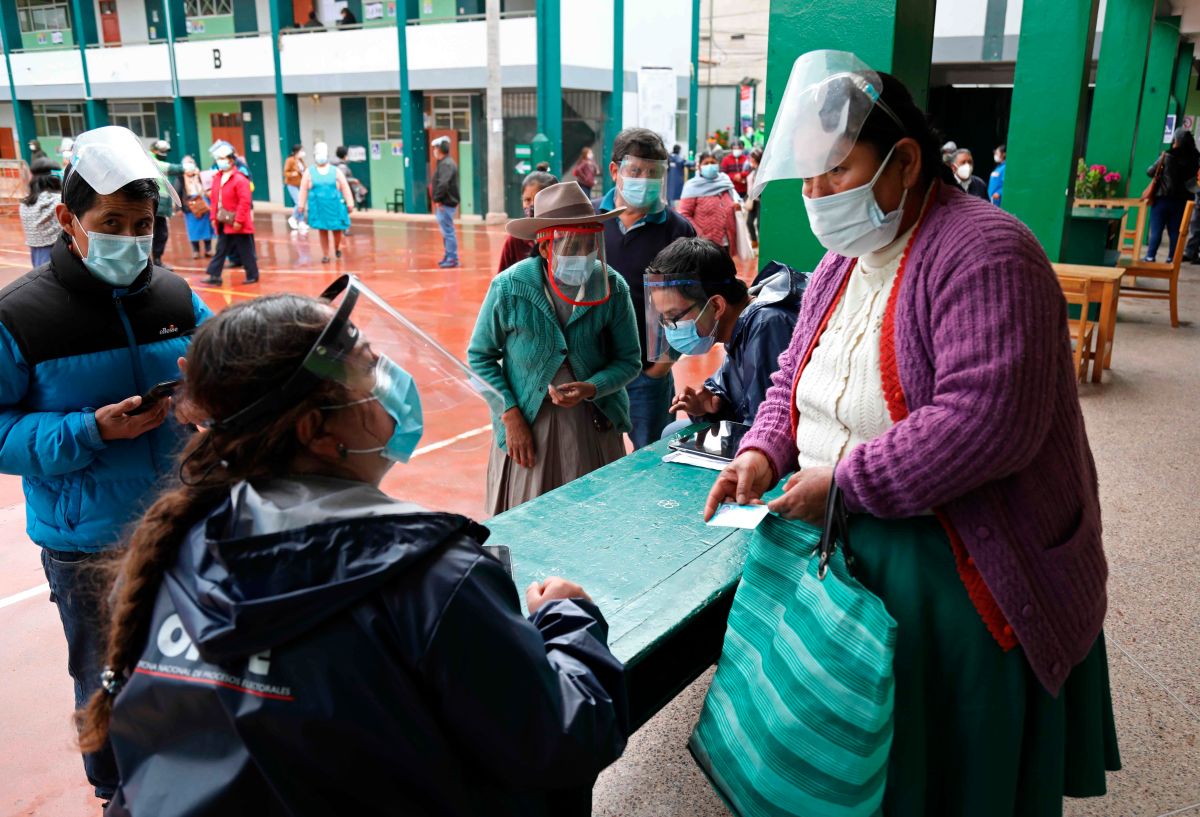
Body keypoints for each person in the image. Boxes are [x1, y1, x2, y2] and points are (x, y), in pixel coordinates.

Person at [704, 51, 1118, 815]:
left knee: (951, 779)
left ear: (902, 160)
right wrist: (763, 449)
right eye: (809, 177)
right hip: (858, 537)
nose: (818, 194)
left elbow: (987, 419)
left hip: (961, 563)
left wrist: (847, 481)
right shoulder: (840, 261)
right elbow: (790, 375)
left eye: (836, 171)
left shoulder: (988, 252)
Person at [78, 277, 629, 816]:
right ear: (318, 430)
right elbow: (563, 741)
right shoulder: (434, 581)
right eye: (369, 370)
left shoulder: (178, 546)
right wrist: (568, 619)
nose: (390, 380)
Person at [0, 125, 211, 807]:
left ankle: (188, 774)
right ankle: (114, 788)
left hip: (178, 523)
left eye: (142, 223)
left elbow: (222, 364)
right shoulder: (21, 317)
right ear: (67, 219)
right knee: (105, 673)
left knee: (189, 661)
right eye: (111, 222)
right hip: (86, 544)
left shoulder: (176, 296)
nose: (130, 237)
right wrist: (88, 429)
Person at [469, 182, 641, 514]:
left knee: (594, 520)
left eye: (589, 242)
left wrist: (593, 387)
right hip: (528, 430)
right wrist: (509, 415)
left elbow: (629, 360)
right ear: (545, 247)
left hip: (591, 426)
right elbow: (479, 357)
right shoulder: (509, 288)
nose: (583, 253)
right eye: (571, 243)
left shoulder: (612, 286)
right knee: (528, 520)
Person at [596, 127, 695, 449]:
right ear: (615, 170)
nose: (645, 179)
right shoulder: (590, 220)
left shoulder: (678, 231)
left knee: (650, 457)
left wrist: (661, 366)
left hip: (647, 374)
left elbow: (694, 305)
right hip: (593, 372)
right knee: (594, 458)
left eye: (654, 173)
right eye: (636, 170)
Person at [645, 237, 805, 432]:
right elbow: (735, 399)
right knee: (672, 430)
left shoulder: (767, 324)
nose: (669, 326)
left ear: (716, 305)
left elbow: (766, 427)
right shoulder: (741, 326)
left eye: (673, 316)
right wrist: (707, 407)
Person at [202, 142, 259, 286]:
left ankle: (252, 275)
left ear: (231, 160)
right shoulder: (217, 178)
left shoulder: (240, 179)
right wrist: (213, 217)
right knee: (221, 249)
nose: (220, 161)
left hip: (237, 222)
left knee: (245, 249)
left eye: (223, 158)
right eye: (218, 159)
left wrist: (239, 220)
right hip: (223, 221)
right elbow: (215, 200)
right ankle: (214, 275)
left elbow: (245, 201)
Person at [1145, 127, 1199, 262]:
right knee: (1175, 231)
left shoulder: (1167, 155)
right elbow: (1196, 183)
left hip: (1162, 199)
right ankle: (1171, 259)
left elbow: (1150, 172)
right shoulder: (1196, 158)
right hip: (1183, 202)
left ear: (1177, 140)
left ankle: (1150, 257)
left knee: (1156, 229)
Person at [297, 142, 355, 264]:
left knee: (337, 230)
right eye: (318, 154)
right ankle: (326, 254)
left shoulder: (336, 171)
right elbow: (303, 189)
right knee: (322, 230)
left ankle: (337, 247)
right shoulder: (309, 172)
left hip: (335, 206)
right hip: (319, 206)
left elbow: (345, 186)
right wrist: (300, 205)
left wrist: (350, 203)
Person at [676, 152, 742, 254]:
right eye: (706, 163)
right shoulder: (692, 186)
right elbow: (684, 214)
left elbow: (734, 198)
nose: (710, 165)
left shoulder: (725, 181)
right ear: (699, 166)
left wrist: (736, 206)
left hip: (728, 240)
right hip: (705, 244)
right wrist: (700, 235)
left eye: (713, 162)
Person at [496, 170, 557, 273]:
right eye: (527, 200)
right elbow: (501, 281)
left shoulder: (564, 237)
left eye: (538, 199)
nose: (532, 205)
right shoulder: (515, 241)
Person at [19, 157, 62, 266]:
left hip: (36, 255)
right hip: (58, 254)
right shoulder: (59, 200)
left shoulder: (25, 203)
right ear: (55, 178)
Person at [149, 139, 184, 267]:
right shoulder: (150, 160)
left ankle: (156, 260)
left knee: (159, 233)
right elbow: (172, 168)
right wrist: (187, 167)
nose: (164, 154)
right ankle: (156, 261)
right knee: (158, 233)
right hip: (155, 204)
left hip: (157, 205)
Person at [432, 136, 461, 268]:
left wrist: (437, 199)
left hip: (445, 203)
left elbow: (443, 184)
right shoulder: (445, 163)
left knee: (448, 231)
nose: (434, 150)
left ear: (440, 148)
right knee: (446, 231)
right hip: (445, 203)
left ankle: (452, 258)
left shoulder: (446, 164)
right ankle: (449, 255)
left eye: (436, 148)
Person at [180, 155, 215, 259]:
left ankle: (208, 249)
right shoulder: (181, 178)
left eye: (191, 162)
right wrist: (180, 208)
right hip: (190, 205)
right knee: (193, 229)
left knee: (207, 228)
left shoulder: (201, 175)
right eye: (187, 163)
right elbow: (178, 192)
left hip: (203, 202)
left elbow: (208, 187)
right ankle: (196, 251)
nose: (189, 165)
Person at [283, 143, 308, 232]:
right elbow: (285, 172)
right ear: (297, 151)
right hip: (292, 184)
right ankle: (293, 218)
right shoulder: (290, 160)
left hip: (300, 184)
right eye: (301, 150)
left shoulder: (300, 160)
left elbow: (305, 169)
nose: (303, 152)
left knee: (302, 203)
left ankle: (300, 221)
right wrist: (292, 174)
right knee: (298, 202)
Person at [745, 147, 763, 248]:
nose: (750, 160)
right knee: (749, 222)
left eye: (752, 158)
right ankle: (754, 242)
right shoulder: (753, 169)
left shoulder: (761, 170)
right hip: (753, 200)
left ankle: (761, 244)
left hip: (759, 200)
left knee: (759, 224)